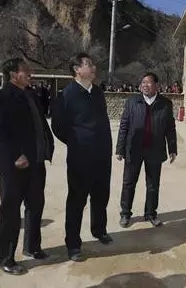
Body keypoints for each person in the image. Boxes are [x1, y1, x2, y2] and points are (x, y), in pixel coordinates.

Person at [0, 58, 54, 275]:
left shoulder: (31, 95)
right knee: (10, 212)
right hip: (14, 166)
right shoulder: (2, 97)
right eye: (25, 70)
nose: (30, 73)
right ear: (14, 74)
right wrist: (15, 154)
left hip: (36, 162)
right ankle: (5, 258)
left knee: (35, 206)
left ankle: (32, 247)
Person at [51, 52, 113, 262]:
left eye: (93, 64)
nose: (93, 67)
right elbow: (58, 126)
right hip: (81, 157)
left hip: (102, 155)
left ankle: (99, 230)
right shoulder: (67, 95)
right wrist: (77, 141)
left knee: (101, 196)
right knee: (77, 200)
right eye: (89, 64)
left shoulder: (98, 93)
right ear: (77, 70)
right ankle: (73, 244)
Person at [116, 72, 178, 228]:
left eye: (148, 82)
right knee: (128, 183)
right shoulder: (132, 102)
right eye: (143, 82)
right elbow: (124, 125)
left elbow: (170, 128)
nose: (144, 85)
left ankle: (150, 213)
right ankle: (125, 214)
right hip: (134, 149)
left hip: (154, 150)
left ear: (156, 85)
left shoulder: (165, 104)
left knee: (153, 185)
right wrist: (120, 148)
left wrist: (172, 148)